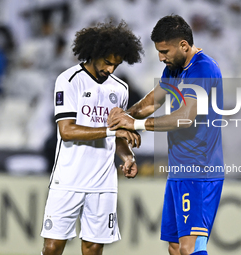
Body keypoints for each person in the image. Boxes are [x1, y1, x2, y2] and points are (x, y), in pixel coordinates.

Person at [107, 15, 224, 255]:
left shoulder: (202, 68)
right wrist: (125, 118)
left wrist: (136, 125)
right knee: (174, 246)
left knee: (189, 249)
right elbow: (151, 103)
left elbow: (186, 116)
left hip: (199, 170)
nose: (161, 57)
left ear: (183, 45)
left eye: (164, 51)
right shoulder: (174, 68)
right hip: (179, 169)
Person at [40, 20, 144, 255]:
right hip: (69, 178)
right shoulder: (68, 80)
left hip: (103, 182)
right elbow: (67, 131)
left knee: (93, 248)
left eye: (116, 65)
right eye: (108, 62)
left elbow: (117, 136)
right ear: (94, 53)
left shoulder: (120, 89)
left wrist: (128, 157)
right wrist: (112, 131)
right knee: (52, 247)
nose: (111, 70)